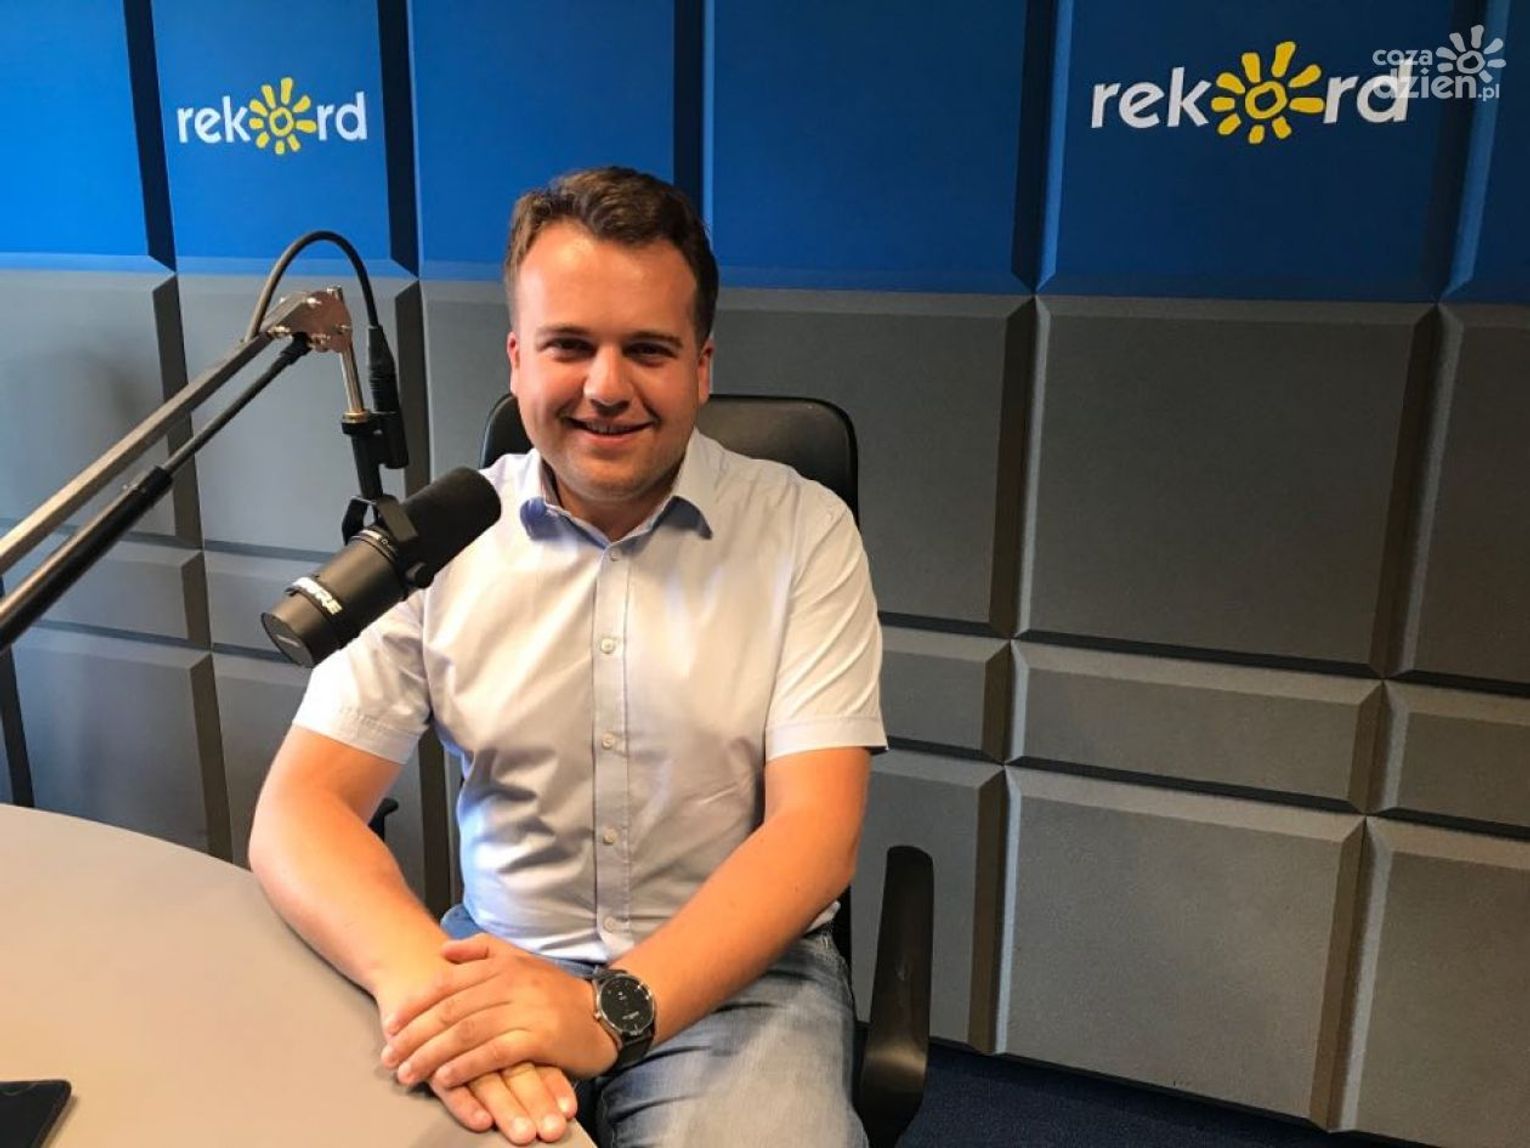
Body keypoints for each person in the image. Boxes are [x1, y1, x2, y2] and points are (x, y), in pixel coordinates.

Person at [248, 166, 884, 1147]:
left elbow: (816, 834)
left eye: (648, 349)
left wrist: (605, 1012)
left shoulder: (805, 531)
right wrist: (420, 979)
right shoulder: (433, 541)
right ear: (518, 358)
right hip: (493, 963)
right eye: (570, 346)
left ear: (702, 366)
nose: (606, 387)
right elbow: (301, 809)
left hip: (741, 977)